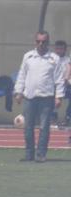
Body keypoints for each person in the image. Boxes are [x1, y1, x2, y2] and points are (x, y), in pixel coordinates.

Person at [14, 31, 66, 163]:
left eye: (44, 41)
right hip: (29, 97)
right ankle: (29, 154)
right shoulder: (28, 56)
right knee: (28, 127)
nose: (41, 44)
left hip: (46, 97)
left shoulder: (54, 58)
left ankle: (41, 154)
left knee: (44, 127)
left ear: (48, 42)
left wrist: (59, 96)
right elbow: (22, 75)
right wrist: (18, 92)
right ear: (35, 42)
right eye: (38, 41)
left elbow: (59, 79)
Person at [52, 40, 70, 127]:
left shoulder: (68, 60)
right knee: (49, 95)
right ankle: (53, 118)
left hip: (66, 86)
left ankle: (68, 117)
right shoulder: (51, 59)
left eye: (61, 49)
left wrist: (66, 81)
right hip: (54, 86)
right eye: (57, 48)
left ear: (65, 50)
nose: (59, 51)